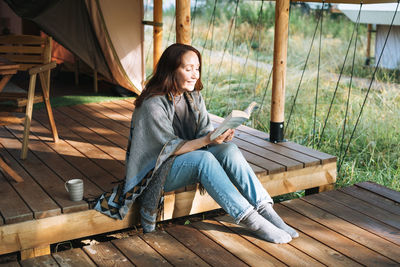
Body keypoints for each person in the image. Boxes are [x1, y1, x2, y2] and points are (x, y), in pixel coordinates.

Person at [94, 43, 298, 244]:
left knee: (229, 150)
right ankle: (252, 221)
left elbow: (203, 133)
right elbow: (167, 150)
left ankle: (267, 212)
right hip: (157, 171)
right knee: (204, 159)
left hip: (185, 161)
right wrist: (208, 140)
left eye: (197, 69)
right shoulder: (152, 104)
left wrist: (221, 135)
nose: (195, 75)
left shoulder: (193, 96)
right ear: (171, 70)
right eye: (188, 69)